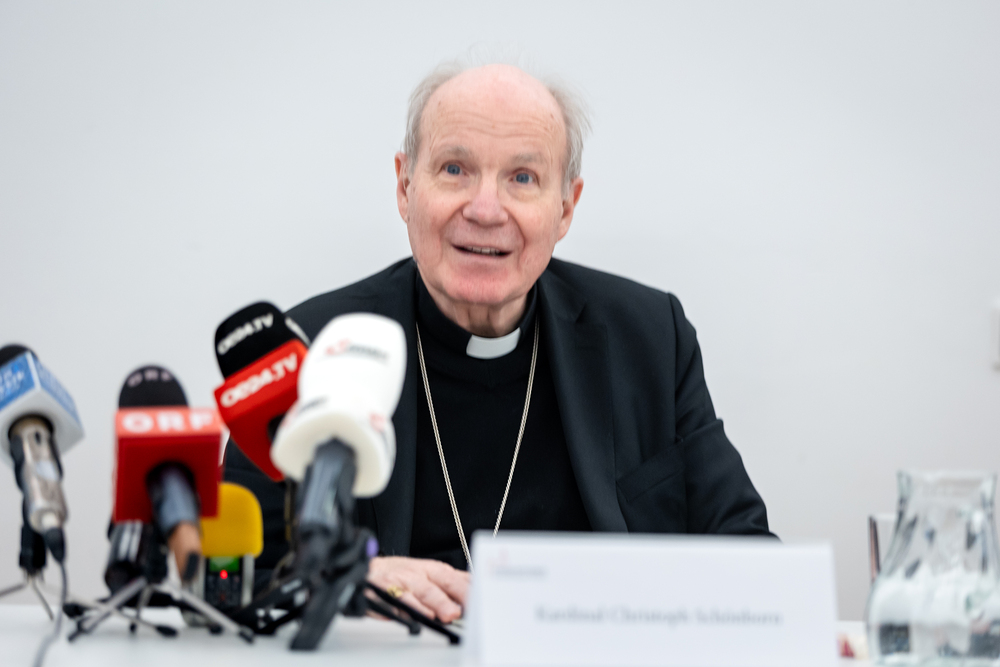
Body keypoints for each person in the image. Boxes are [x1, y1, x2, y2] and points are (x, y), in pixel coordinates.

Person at [224, 60, 773, 625]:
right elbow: (233, 578)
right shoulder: (307, 351)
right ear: (405, 187)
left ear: (565, 208)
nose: (485, 210)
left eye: (523, 178)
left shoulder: (650, 337)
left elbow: (750, 554)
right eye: (454, 169)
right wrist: (343, 583)